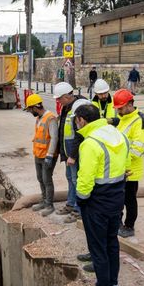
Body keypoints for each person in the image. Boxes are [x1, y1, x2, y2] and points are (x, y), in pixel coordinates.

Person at [72, 103, 128, 286]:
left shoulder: (89, 143)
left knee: (98, 248)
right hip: (116, 197)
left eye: (76, 120)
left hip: (96, 201)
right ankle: (113, 285)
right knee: (112, 243)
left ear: (81, 120)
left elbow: (85, 179)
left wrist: (80, 199)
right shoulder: (118, 135)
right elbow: (126, 164)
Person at [112, 89, 144, 238]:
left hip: (131, 170)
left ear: (129, 104)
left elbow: (138, 149)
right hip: (120, 167)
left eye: (120, 108)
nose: (118, 111)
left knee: (129, 200)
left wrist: (120, 159)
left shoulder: (140, 121)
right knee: (119, 199)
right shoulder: (124, 118)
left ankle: (129, 226)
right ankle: (118, 223)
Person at [52, 82, 88, 223]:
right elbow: (65, 131)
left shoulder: (79, 107)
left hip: (75, 152)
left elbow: (80, 134)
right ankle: (71, 203)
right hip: (68, 151)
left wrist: (73, 155)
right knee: (70, 178)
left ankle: (78, 210)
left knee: (77, 180)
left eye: (59, 98)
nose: (58, 101)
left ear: (67, 96)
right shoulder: (67, 107)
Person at [25, 93, 58, 216]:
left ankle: (49, 204)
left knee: (47, 180)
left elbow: (54, 138)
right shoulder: (38, 118)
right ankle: (44, 201)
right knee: (40, 178)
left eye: (29, 109)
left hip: (47, 156)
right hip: (38, 154)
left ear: (35, 107)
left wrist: (50, 155)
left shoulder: (50, 118)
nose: (29, 112)